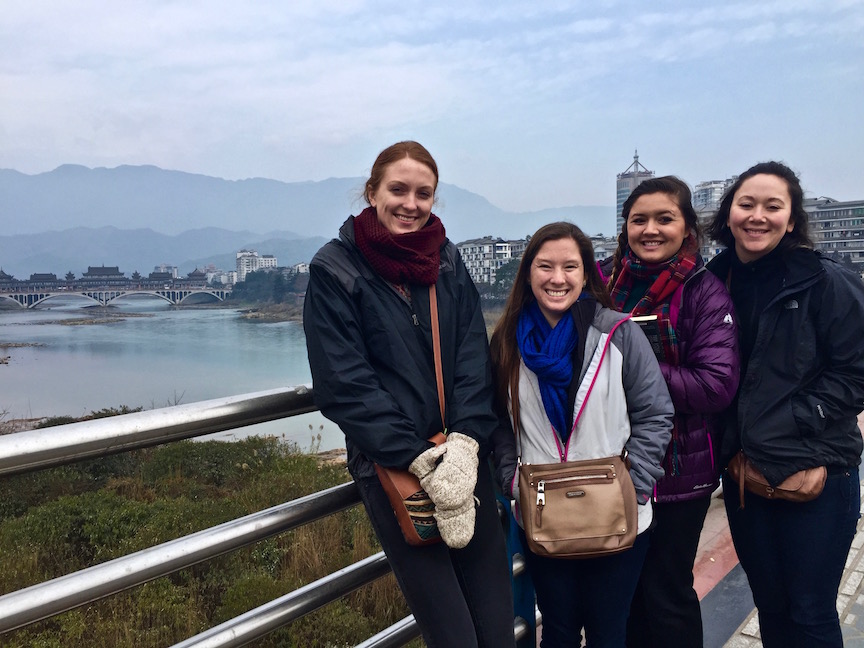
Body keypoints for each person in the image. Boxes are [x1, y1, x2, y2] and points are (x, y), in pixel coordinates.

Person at [303, 141, 515, 648]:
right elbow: (344, 385)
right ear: (372, 191)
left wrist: (464, 446)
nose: (411, 204)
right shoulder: (335, 269)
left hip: (464, 459)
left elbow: (471, 356)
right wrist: (418, 457)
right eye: (398, 189)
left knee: (498, 626)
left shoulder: (446, 259)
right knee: (452, 632)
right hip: (395, 470)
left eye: (424, 194)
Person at [490, 221, 674, 648]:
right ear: (528, 272)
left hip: (619, 514)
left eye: (570, 267)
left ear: (587, 272)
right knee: (557, 629)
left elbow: (655, 412)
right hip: (542, 513)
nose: (558, 278)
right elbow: (497, 421)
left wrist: (635, 484)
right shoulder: (507, 344)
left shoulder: (619, 333)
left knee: (610, 631)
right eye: (545, 266)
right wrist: (510, 480)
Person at [706, 161, 864, 648]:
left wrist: (795, 418)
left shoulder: (825, 281)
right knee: (771, 606)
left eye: (773, 207)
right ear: (728, 214)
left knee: (811, 612)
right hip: (745, 476)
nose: (758, 216)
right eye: (746, 204)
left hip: (816, 471)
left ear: (791, 219)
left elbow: (856, 372)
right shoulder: (714, 281)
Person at [603, 177, 740, 648]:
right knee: (617, 595)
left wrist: (633, 366)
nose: (651, 229)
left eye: (665, 218)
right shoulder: (602, 281)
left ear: (687, 228)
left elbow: (716, 386)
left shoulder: (705, 292)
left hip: (679, 474)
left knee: (666, 594)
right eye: (639, 219)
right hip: (607, 467)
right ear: (625, 227)